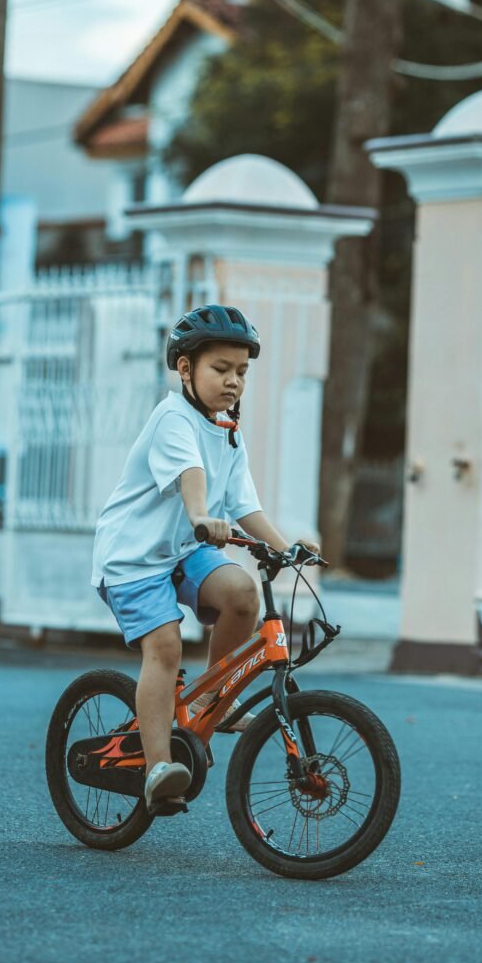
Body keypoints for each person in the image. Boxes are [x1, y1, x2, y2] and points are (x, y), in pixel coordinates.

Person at [92, 304, 319, 816]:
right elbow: (190, 474)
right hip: (132, 557)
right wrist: (200, 515)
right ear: (185, 369)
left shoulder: (228, 429)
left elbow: (244, 505)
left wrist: (285, 548)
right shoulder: (173, 416)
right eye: (221, 369)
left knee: (242, 594)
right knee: (165, 647)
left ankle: (212, 699)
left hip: (183, 550)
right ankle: (158, 769)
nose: (234, 381)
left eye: (242, 371)